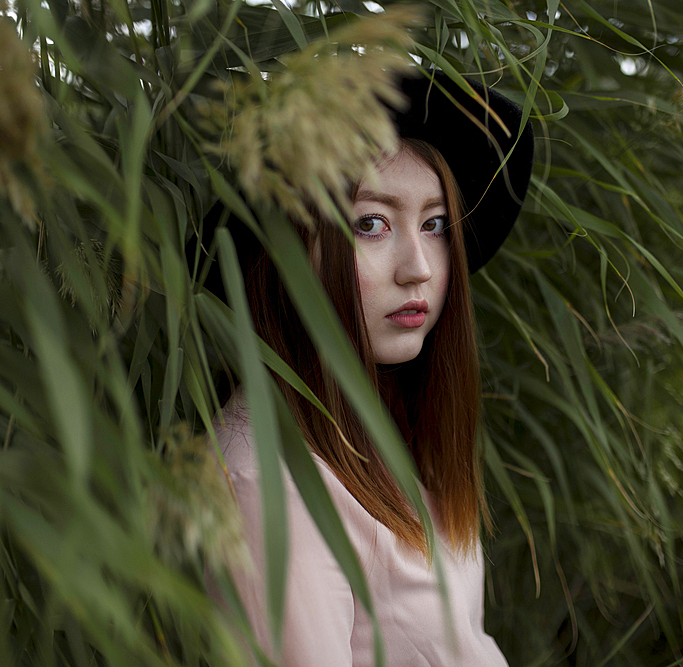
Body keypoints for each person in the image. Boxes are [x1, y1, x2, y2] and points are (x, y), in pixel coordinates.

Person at [207, 70, 534, 666]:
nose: (420, 268)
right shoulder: (269, 483)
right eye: (370, 223)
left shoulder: (383, 432)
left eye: (434, 225)